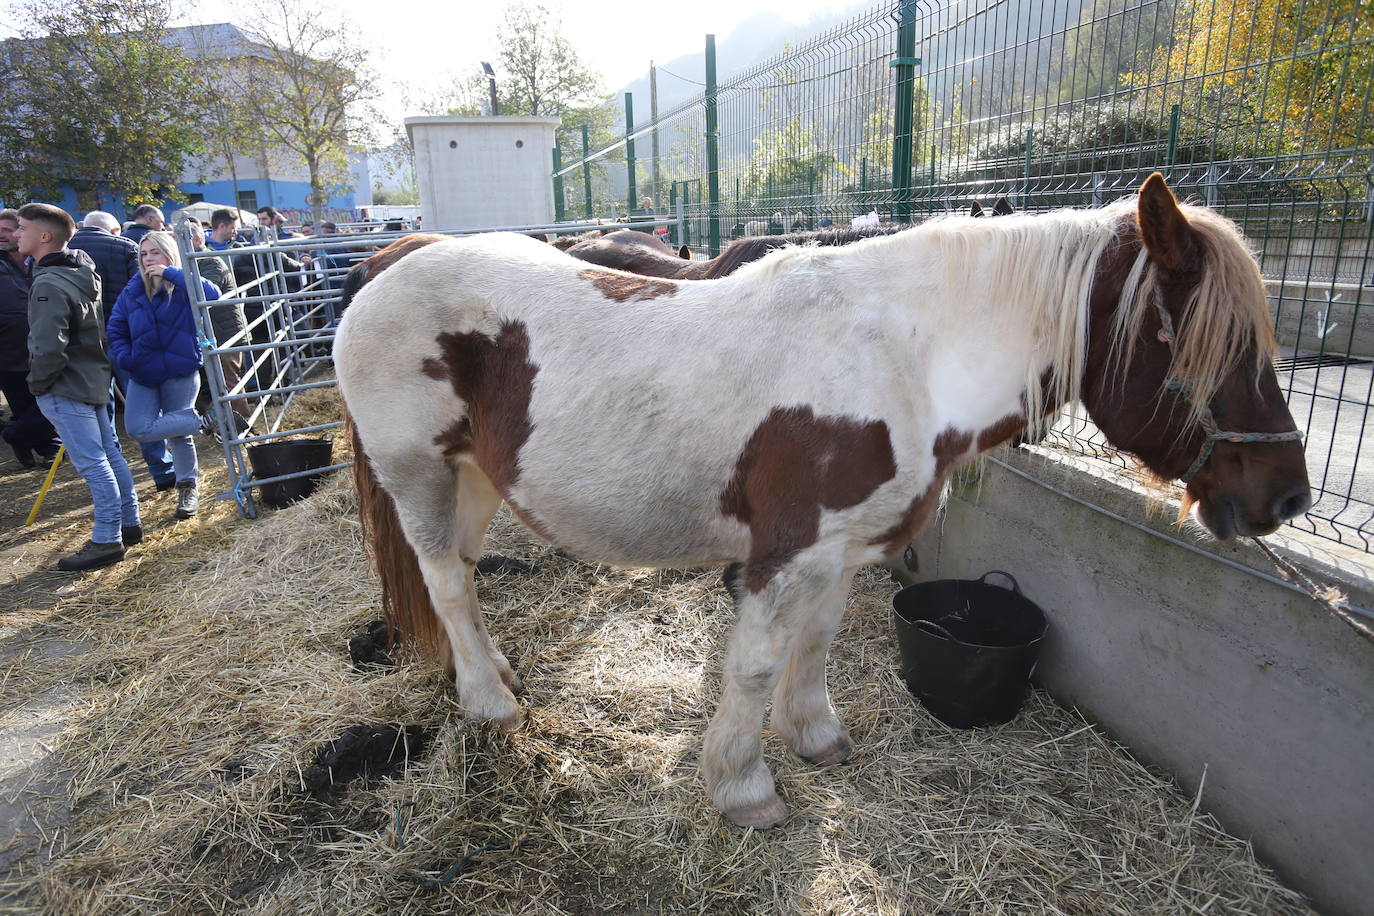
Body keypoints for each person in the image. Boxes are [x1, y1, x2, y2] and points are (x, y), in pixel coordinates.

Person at [17, 203, 140, 570]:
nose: (15, 234)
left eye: (21, 228)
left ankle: (106, 539)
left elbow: (48, 345)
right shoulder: (81, 270)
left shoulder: (49, 283)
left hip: (68, 385)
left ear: (44, 236)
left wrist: (38, 385)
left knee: (93, 463)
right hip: (94, 377)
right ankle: (128, 522)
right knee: (109, 454)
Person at [107, 231, 221, 520]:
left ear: (168, 253)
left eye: (154, 252)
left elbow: (212, 295)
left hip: (179, 370)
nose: (148, 259)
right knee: (137, 428)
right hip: (142, 373)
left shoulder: (183, 283)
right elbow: (116, 327)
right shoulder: (133, 288)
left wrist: (172, 272)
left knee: (180, 435)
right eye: (143, 254)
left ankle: (187, 486)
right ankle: (207, 420)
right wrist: (124, 357)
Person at [69, 210, 175, 489]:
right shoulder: (126, 247)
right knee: (145, 405)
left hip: (85, 344)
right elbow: (145, 290)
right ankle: (162, 470)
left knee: (102, 411)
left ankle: (115, 473)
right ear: (114, 230)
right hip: (127, 341)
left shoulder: (64, 250)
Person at [0, 208, 61, 468]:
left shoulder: (40, 260)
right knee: (23, 404)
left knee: (49, 401)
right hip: (8, 351)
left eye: (7, 230)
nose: (1, 236)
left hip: (45, 347)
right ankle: (48, 449)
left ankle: (18, 436)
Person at [180, 219, 250, 431]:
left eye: (182, 239)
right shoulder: (190, 261)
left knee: (229, 379)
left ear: (197, 239)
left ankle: (242, 424)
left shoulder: (209, 261)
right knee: (217, 381)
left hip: (225, 330)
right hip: (212, 331)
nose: (177, 244)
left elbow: (202, 293)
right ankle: (223, 422)